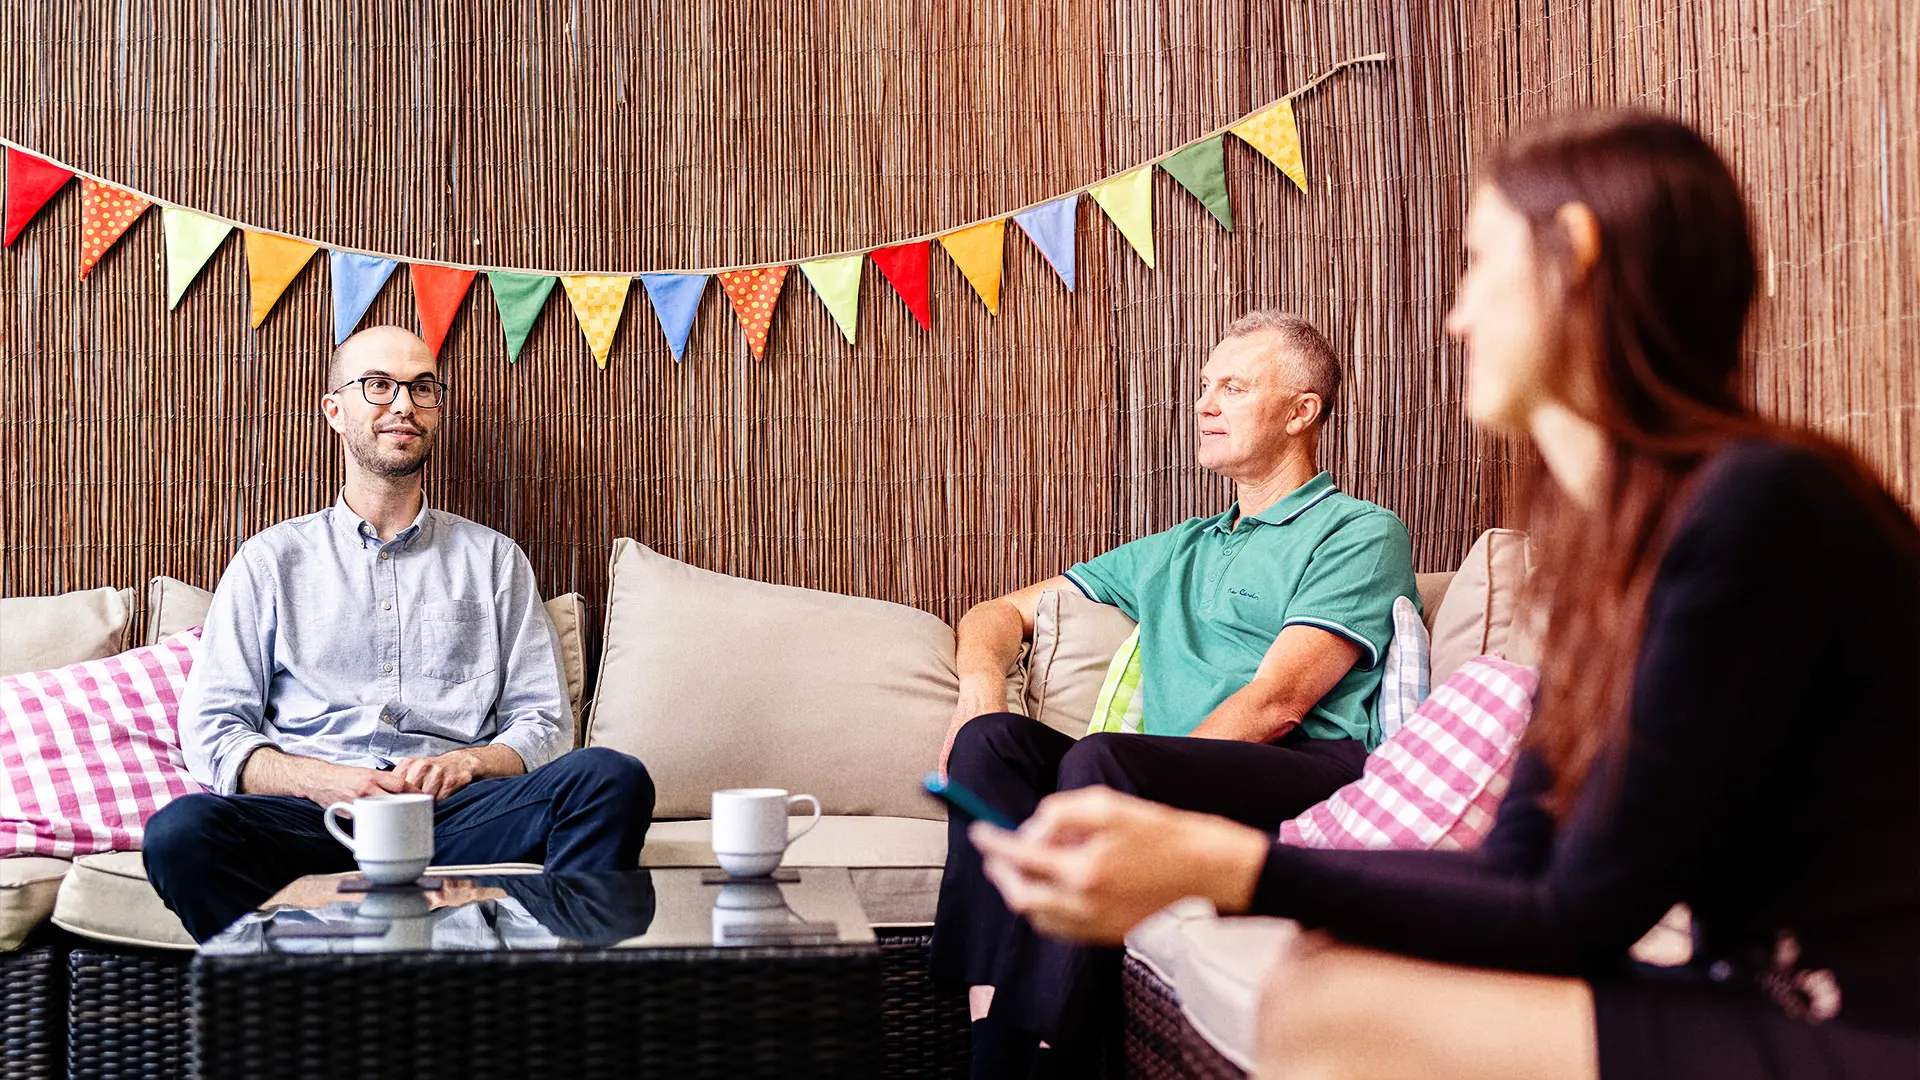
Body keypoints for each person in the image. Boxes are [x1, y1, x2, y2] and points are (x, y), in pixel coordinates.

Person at [967, 110, 1920, 1080]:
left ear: (1576, 256)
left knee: (1335, 1004)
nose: (1457, 315)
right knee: (1330, 971)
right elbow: (1522, 870)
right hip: (1746, 994)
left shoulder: (1761, 509)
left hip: (1861, 1029)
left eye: (1477, 262)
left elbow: (1577, 911)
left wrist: (1223, 865)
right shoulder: (1617, 549)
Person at [933, 312, 1419, 1075]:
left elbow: (1279, 701)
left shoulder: (1357, 531)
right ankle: (995, 1034)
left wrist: (1126, 789)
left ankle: (1043, 1061)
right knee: (992, 745)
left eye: (1233, 386)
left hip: (1306, 770)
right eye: (1203, 386)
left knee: (1102, 766)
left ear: (1302, 411)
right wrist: (980, 691)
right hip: (1164, 772)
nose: (1204, 403)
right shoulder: (1179, 547)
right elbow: (996, 615)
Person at [144, 325, 656, 943]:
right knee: (182, 832)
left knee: (609, 779)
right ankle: (285, 1006)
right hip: (317, 816)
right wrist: (323, 779)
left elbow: (544, 723)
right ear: (335, 410)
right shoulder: (269, 561)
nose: (403, 405)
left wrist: (471, 763)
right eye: (378, 385)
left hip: (452, 816)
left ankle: (545, 1004)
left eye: (421, 388)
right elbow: (213, 731)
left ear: (437, 412)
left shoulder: (494, 560)